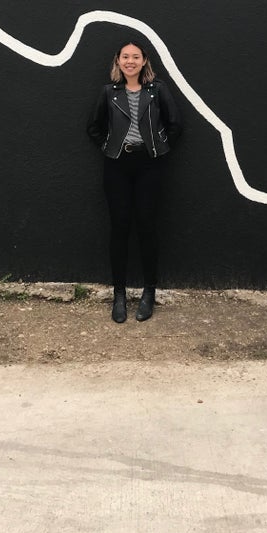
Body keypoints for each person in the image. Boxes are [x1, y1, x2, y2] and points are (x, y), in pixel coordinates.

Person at [87, 40, 182, 323]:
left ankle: (149, 291)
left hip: (149, 166)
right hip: (117, 166)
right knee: (120, 228)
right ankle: (118, 295)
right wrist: (110, 146)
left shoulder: (157, 90)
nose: (130, 61)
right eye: (125, 57)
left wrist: (160, 148)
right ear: (118, 61)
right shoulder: (108, 92)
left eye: (135, 57)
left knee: (147, 227)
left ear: (144, 61)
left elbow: (175, 124)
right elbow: (92, 127)